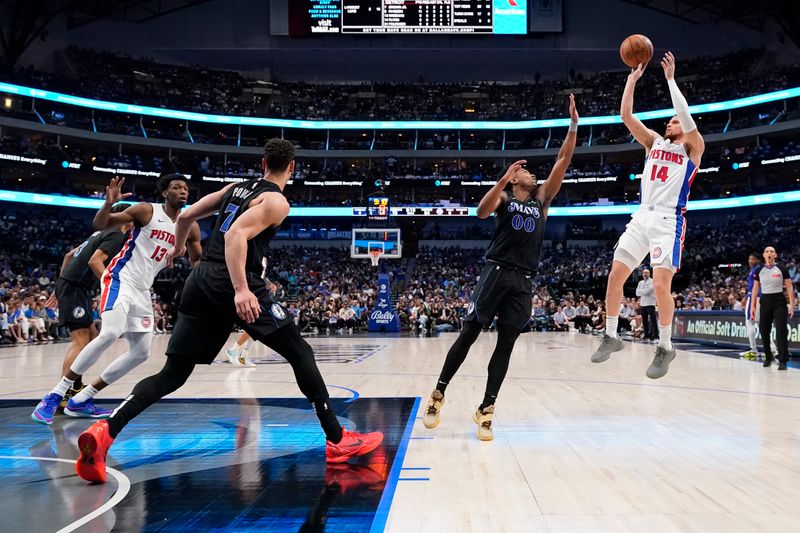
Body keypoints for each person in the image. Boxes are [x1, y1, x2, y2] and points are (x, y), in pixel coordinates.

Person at [74, 139, 383, 483]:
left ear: (263, 162)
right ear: (291, 168)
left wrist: (177, 247)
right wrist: (241, 290)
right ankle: (338, 440)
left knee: (172, 374)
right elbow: (237, 234)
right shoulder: (276, 201)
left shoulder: (236, 187)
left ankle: (106, 431)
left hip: (200, 279)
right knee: (301, 352)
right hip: (233, 279)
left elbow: (188, 214)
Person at [423, 94, 579, 441]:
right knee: (469, 333)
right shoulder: (505, 198)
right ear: (513, 179)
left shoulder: (542, 201)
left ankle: (486, 409)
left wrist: (573, 124)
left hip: (523, 280)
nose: (531, 171)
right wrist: (502, 178)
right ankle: (438, 395)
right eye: (524, 170)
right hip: (495, 271)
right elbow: (480, 212)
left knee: (506, 345)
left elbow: (564, 159)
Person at [32, 174, 202, 425]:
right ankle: (54, 396)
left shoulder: (190, 226)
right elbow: (102, 223)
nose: (182, 191)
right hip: (120, 278)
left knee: (141, 352)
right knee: (110, 332)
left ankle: (83, 398)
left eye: (185, 188)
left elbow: (197, 261)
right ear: (165, 193)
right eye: (176, 187)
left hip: (143, 290)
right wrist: (108, 203)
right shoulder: (147, 211)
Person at [590, 52, 705, 379]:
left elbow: (686, 116)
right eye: (668, 121)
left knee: (659, 284)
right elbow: (625, 114)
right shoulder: (653, 143)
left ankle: (666, 346)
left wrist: (670, 80)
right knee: (614, 277)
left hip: (669, 221)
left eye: (673, 121)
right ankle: (611, 335)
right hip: (641, 218)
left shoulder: (692, 148)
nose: (669, 123)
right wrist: (632, 79)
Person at [750, 246, 795, 370]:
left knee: (781, 330)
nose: (769, 253)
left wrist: (791, 304)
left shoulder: (782, 269)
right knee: (764, 330)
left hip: (779, 301)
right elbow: (755, 289)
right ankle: (768, 356)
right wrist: (752, 307)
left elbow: (790, 287)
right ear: (764, 255)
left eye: (772, 251)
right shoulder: (758, 271)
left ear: (775, 255)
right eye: (767, 251)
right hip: (765, 302)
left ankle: (783, 360)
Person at [740, 252, 763, 359]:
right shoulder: (754, 270)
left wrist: (749, 297)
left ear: (758, 260)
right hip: (756, 297)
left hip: (755, 298)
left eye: (753, 259)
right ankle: (772, 348)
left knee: (750, 322)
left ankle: (753, 349)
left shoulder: (758, 269)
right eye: (749, 259)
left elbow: (756, 286)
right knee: (760, 323)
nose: (750, 261)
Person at [636, 267, 657, 342]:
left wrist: (642, 291)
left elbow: (649, 290)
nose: (645, 274)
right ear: (642, 274)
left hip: (650, 303)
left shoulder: (652, 281)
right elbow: (637, 293)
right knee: (644, 321)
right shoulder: (640, 282)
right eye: (644, 273)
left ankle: (655, 336)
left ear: (650, 274)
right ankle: (646, 335)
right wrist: (643, 291)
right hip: (643, 304)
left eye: (647, 272)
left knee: (653, 321)